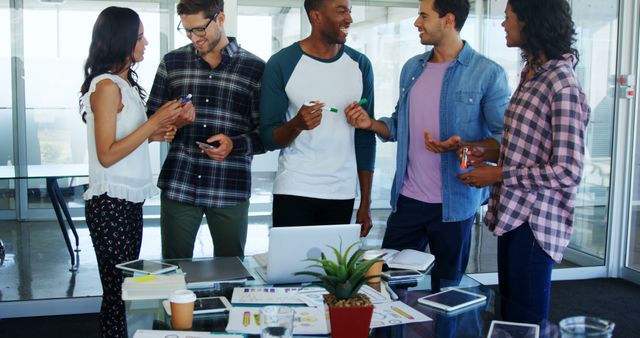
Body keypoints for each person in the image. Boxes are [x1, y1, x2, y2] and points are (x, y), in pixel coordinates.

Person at [345, 0, 510, 292]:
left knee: (447, 292)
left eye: (423, 15)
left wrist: (465, 146)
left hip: (455, 206)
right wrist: (370, 124)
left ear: (448, 19)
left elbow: (504, 140)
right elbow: (398, 125)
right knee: (384, 286)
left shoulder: (488, 73)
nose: (416, 23)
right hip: (408, 201)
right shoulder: (412, 68)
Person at [458, 0, 590, 324]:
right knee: (511, 317)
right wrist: (487, 153)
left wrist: (499, 174)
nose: (503, 24)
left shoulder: (561, 83)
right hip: (513, 215)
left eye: (507, 17)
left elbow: (568, 168)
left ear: (530, 22)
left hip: (536, 222)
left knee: (525, 322)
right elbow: (526, 147)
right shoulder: (531, 74)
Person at [80, 6, 184, 338]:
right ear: (122, 40)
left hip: (126, 202)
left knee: (125, 291)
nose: (147, 42)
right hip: (110, 203)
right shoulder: (107, 86)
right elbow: (107, 154)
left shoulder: (124, 84)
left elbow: (126, 140)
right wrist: (153, 124)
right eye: (140, 37)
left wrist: (158, 131)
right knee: (119, 294)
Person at [146, 0, 265, 259]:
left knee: (231, 272)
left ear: (220, 18)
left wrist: (235, 145)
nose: (193, 37)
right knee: (174, 272)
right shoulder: (172, 62)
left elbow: (265, 135)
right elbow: (149, 122)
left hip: (229, 186)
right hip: (180, 183)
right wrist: (175, 123)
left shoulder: (255, 69)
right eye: (187, 30)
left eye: (199, 29)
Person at [259, 0, 376, 236]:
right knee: (291, 272)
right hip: (294, 188)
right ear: (316, 17)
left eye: (350, 11)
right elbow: (268, 138)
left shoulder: (360, 65)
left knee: (333, 272)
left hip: (341, 192)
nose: (349, 19)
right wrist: (296, 125)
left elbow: (365, 138)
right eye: (341, 11)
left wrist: (365, 202)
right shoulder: (281, 63)